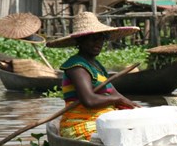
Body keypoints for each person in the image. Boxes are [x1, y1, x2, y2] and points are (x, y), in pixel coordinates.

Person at [46, 12, 141, 141]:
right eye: (93, 38)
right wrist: (116, 99)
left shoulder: (97, 66)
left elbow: (115, 94)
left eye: (101, 38)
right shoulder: (76, 66)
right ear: (80, 40)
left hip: (104, 122)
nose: (98, 42)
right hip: (80, 124)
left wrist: (134, 107)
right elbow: (89, 100)